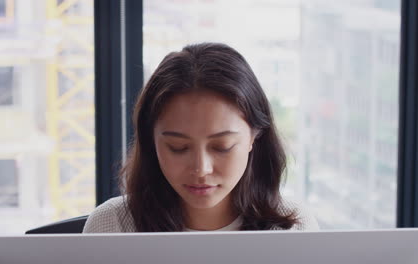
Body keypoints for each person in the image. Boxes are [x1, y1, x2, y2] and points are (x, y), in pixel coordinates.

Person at [83, 42, 319, 233]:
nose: (201, 169)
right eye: (177, 147)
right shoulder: (111, 226)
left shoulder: (294, 227)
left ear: (254, 137)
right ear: (151, 141)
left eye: (222, 146)